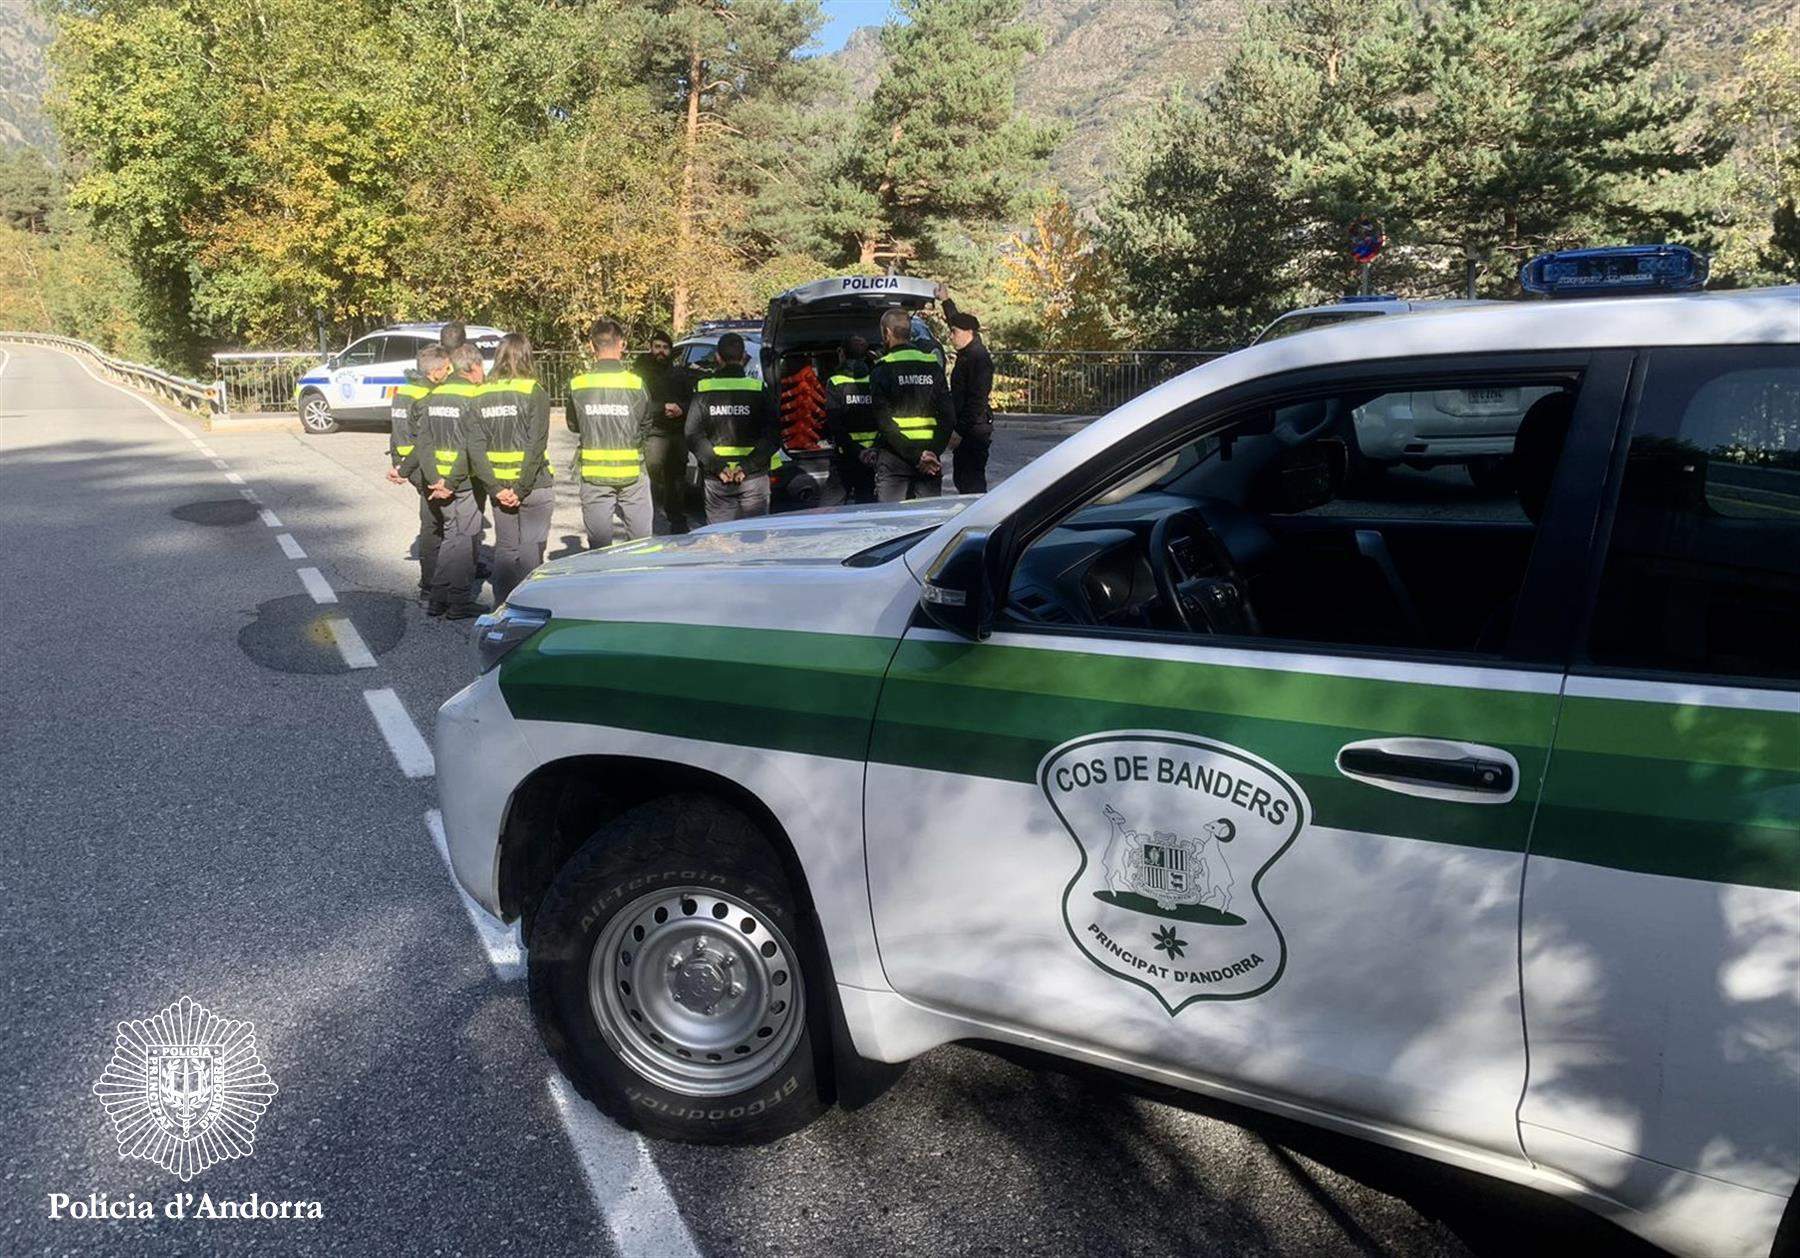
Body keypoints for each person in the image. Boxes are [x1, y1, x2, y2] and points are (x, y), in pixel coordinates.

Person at [474, 333, 552, 604]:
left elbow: (476, 448)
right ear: (526, 356)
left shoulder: (481, 393)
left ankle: (502, 605)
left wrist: (496, 488)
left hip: (499, 486)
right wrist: (521, 488)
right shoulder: (534, 391)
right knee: (532, 547)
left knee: (505, 547)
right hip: (533, 484)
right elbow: (536, 444)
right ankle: (530, 604)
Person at [567, 318, 653, 549]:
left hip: (594, 478)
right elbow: (646, 423)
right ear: (622, 344)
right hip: (632, 474)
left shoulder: (578, 385)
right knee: (641, 544)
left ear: (591, 347)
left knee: (600, 548)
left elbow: (574, 425)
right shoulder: (636, 384)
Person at [418, 343, 488, 618]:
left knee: (451, 536)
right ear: (473, 367)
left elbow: (423, 441)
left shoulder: (433, 395)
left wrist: (436, 478)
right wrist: (451, 481)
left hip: (439, 481)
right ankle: (458, 600)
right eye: (483, 366)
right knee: (466, 539)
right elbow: (472, 446)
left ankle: (438, 597)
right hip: (464, 481)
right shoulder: (475, 396)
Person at [686, 331, 777, 523]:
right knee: (754, 540)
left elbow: (692, 434)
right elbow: (773, 435)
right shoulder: (758, 389)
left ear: (717, 357)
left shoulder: (703, 388)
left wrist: (719, 467)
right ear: (743, 357)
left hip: (718, 478)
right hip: (752, 477)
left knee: (722, 544)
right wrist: (746, 467)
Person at [869, 307, 955, 502]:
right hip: (930, 457)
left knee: (891, 526)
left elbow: (884, 423)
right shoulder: (932, 365)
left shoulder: (882, 369)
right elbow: (948, 415)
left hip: (895, 460)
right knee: (928, 522)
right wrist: (932, 453)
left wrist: (916, 456)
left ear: (887, 333)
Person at [388, 344, 453, 601]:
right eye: (447, 368)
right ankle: (434, 583)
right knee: (436, 525)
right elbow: (425, 440)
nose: (449, 372)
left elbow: (394, 430)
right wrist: (408, 469)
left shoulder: (403, 391)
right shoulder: (428, 396)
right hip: (423, 466)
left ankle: (432, 581)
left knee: (431, 522)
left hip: (406, 461)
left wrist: (398, 463)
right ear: (435, 371)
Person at [935, 284, 994, 494]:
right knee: (962, 478)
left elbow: (977, 400)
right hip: (969, 428)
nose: (951, 336)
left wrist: (959, 431)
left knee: (971, 482)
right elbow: (956, 320)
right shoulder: (968, 351)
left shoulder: (978, 358)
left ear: (968, 333)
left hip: (973, 431)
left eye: (954, 333)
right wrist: (945, 300)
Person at [636, 329, 692, 533]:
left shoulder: (679, 373)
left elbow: (691, 401)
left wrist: (681, 409)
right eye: (657, 347)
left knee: (677, 478)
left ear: (670, 350)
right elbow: (637, 404)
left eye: (665, 347)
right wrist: (662, 408)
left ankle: (677, 519)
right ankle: (651, 518)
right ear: (650, 348)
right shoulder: (640, 374)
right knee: (653, 476)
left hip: (676, 433)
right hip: (653, 432)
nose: (661, 351)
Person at [824, 336, 877, 505]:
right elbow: (884, 416)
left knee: (830, 507)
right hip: (873, 456)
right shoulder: (875, 380)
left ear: (842, 354)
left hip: (846, 455)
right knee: (867, 504)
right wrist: (871, 449)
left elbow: (835, 424)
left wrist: (856, 450)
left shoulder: (836, 382)